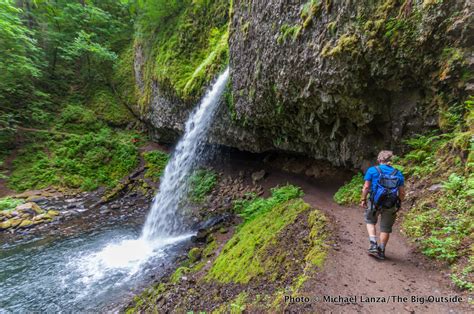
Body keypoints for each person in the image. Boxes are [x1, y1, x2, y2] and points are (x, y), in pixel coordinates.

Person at [360, 150, 405, 260]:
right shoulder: (398, 173)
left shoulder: (372, 170)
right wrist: (398, 203)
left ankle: (373, 244)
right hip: (391, 204)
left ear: (379, 160)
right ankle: (382, 250)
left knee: (370, 221)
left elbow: (366, 187)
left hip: (375, 202)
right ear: (391, 161)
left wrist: (363, 199)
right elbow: (402, 192)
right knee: (385, 228)